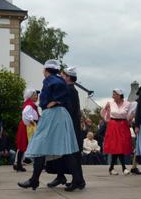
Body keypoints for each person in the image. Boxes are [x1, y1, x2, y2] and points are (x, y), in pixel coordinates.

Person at [17, 60, 82, 192]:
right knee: (62, 149)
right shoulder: (59, 80)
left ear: (46, 70)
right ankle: (36, 180)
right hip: (57, 115)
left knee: (42, 146)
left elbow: (58, 92)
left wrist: (55, 101)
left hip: (53, 115)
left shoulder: (51, 79)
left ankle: (35, 180)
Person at [46, 67, 86, 189]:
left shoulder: (69, 90)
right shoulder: (71, 90)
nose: (61, 77)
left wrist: (55, 103)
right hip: (70, 125)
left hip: (69, 126)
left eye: (63, 75)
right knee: (64, 153)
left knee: (71, 154)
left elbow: (68, 109)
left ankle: (76, 180)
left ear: (68, 77)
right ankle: (70, 178)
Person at [101, 89, 133, 175]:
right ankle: (123, 168)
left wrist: (130, 121)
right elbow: (103, 113)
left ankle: (112, 168)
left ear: (119, 95)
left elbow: (130, 115)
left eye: (115, 94)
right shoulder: (110, 103)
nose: (113, 96)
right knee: (116, 146)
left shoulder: (127, 104)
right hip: (113, 125)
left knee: (121, 145)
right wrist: (106, 112)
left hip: (123, 125)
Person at [15, 88, 39, 172]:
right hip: (28, 126)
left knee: (23, 145)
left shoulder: (30, 104)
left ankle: (18, 164)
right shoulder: (29, 105)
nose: (37, 97)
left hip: (27, 125)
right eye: (35, 95)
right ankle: (19, 164)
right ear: (30, 96)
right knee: (24, 145)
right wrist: (31, 119)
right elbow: (25, 113)